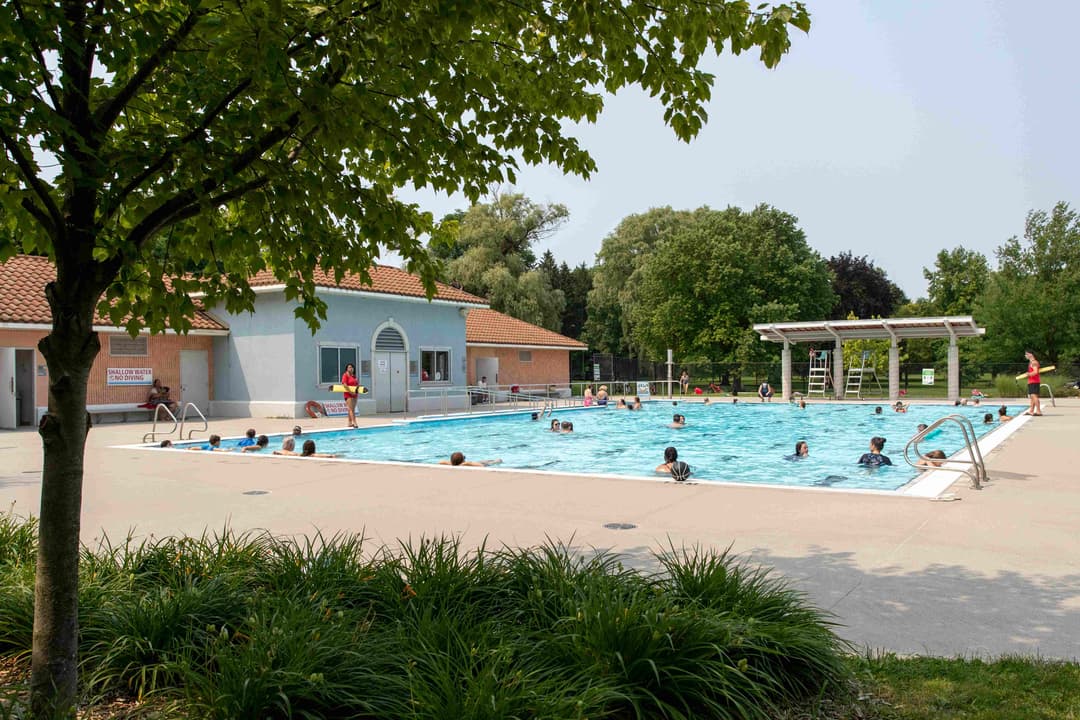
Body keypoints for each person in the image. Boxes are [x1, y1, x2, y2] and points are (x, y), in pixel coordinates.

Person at [1024, 350, 1043, 416]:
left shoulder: (1034, 362)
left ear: (1031, 354)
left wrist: (1028, 374)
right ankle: (1031, 411)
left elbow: (1035, 372)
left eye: (1026, 354)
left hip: (1034, 382)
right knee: (1032, 397)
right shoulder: (1031, 363)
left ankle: (1038, 411)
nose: (1025, 355)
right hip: (1032, 382)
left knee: (1034, 396)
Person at [341, 362, 360, 428]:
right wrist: (351, 392)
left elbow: (357, 384)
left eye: (352, 367)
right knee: (351, 409)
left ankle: (349, 423)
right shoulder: (345, 375)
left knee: (352, 409)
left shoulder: (354, 376)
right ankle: (354, 422)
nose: (351, 369)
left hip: (355, 394)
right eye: (349, 367)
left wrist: (357, 391)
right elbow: (344, 385)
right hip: (348, 394)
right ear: (347, 369)